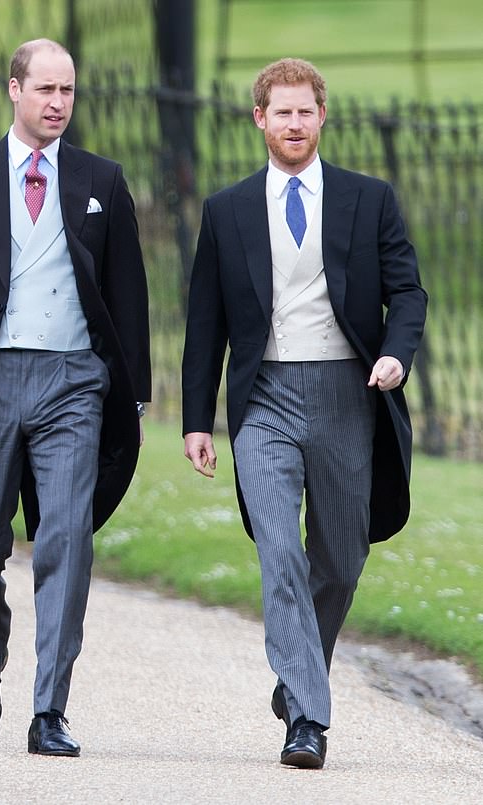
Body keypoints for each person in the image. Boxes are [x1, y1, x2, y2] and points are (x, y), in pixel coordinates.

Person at [0, 38, 151, 757]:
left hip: (74, 382)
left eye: (68, 90)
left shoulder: (102, 178)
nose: (58, 103)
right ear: (13, 90)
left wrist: (132, 390)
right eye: (45, 89)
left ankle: (50, 708)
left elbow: (128, 291)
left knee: (67, 540)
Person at [182, 58, 427, 769]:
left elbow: (408, 293)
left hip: (350, 392)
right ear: (260, 118)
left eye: (305, 111)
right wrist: (198, 418)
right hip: (264, 399)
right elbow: (206, 322)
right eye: (280, 112)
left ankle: (296, 675)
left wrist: (395, 354)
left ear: (323, 117)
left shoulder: (368, 198)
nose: (294, 123)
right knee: (278, 549)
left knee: (341, 559)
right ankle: (308, 718)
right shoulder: (226, 211)